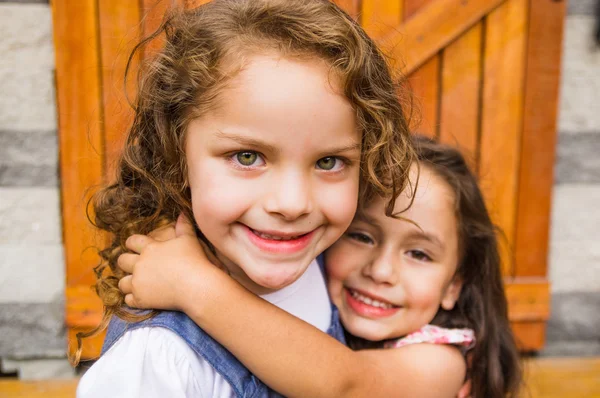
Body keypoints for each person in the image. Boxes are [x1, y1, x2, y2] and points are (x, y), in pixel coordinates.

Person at [75, 0, 414, 396]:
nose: (292, 203)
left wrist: (196, 286)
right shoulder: (158, 358)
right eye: (247, 157)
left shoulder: (332, 266)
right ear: (175, 155)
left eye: (329, 161)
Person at [117, 135, 523, 398]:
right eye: (362, 236)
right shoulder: (318, 307)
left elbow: (346, 384)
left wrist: (192, 284)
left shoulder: (441, 363)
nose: (381, 271)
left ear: (455, 284)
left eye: (419, 254)